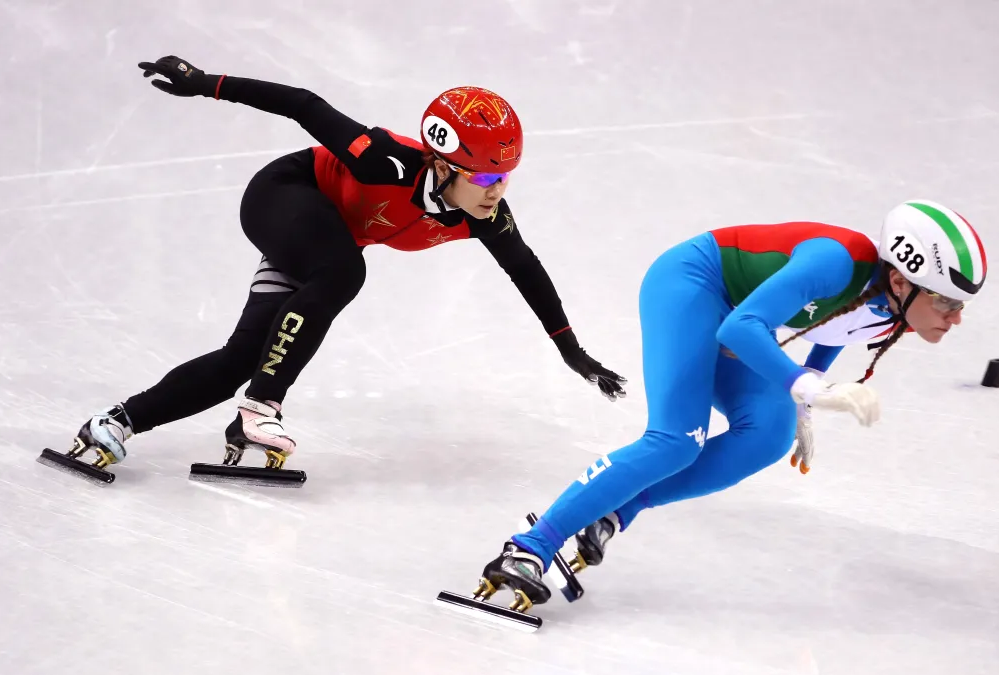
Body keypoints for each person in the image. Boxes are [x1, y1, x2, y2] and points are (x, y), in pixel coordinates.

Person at [58, 55, 626, 475]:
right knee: (345, 271)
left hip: (320, 247)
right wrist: (203, 83)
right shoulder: (387, 162)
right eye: (481, 177)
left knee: (241, 357)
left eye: (505, 176)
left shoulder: (482, 214)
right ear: (441, 164)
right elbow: (303, 104)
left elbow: (525, 269)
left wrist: (572, 352)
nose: (495, 190)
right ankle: (262, 407)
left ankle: (115, 423)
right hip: (284, 196)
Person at [473, 200, 987, 610]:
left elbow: (838, 326)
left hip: (736, 313)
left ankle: (617, 508)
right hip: (694, 284)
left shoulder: (894, 306)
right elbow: (741, 327)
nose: (955, 317)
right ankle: (529, 547)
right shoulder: (837, 261)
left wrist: (806, 394)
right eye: (947, 301)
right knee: (675, 440)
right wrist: (805, 386)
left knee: (768, 433)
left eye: (960, 305)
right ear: (900, 280)